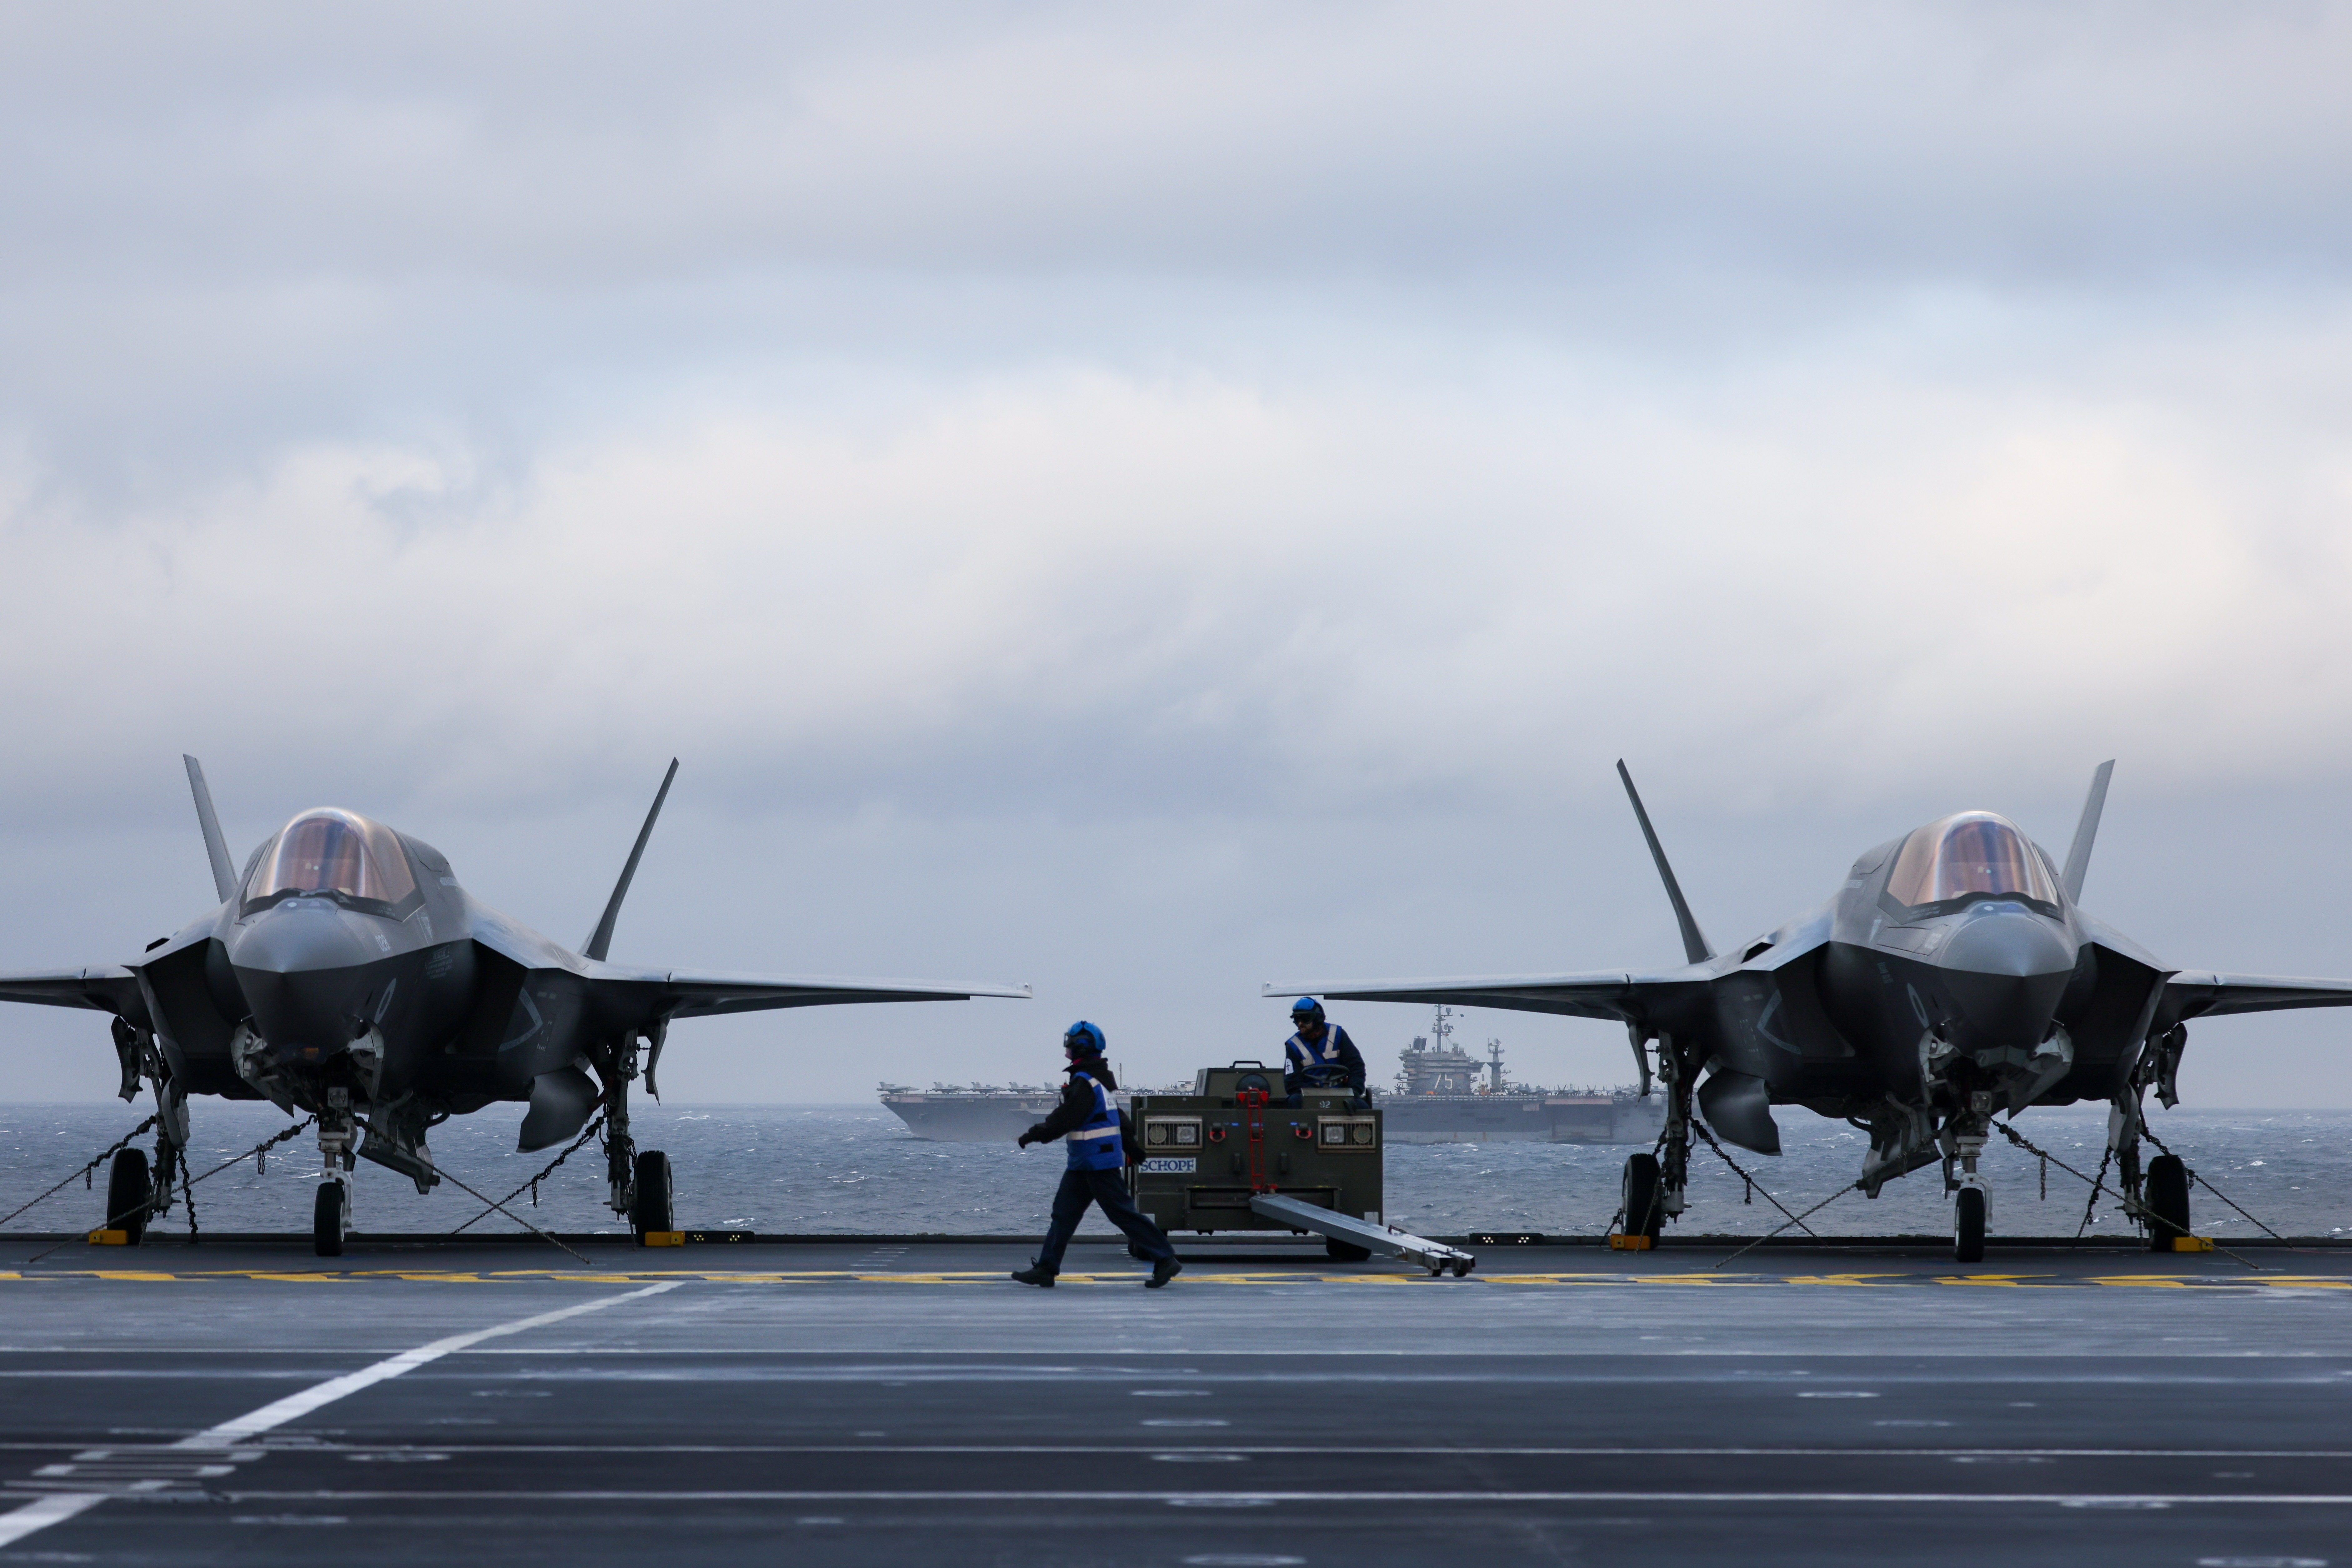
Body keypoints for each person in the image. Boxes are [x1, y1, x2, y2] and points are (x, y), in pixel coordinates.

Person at [1010, 1021, 1181, 1288]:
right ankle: (1046, 1268)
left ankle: (1165, 1258)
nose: (1067, 1046)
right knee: (1063, 1215)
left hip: (1097, 1163)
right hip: (1084, 1163)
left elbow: (1066, 1118)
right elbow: (1118, 1119)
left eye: (1071, 1041)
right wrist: (1131, 1147)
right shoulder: (1098, 1082)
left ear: (1080, 1046)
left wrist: (1034, 1134)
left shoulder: (1084, 1083)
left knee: (1123, 1214)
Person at [1282, 997, 1367, 1106]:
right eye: (1297, 1020)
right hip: (1308, 1097)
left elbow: (1356, 1067)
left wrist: (1354, 1092)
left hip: (1342, 1095)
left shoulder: (1338, 1035)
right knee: (1295, 1101)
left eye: (1305, 1019)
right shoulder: (1293, 1045)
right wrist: (1313, 1097)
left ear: (1317, 1018)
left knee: (1363, 1107)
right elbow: (1292, 1082)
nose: (1300, 1024)